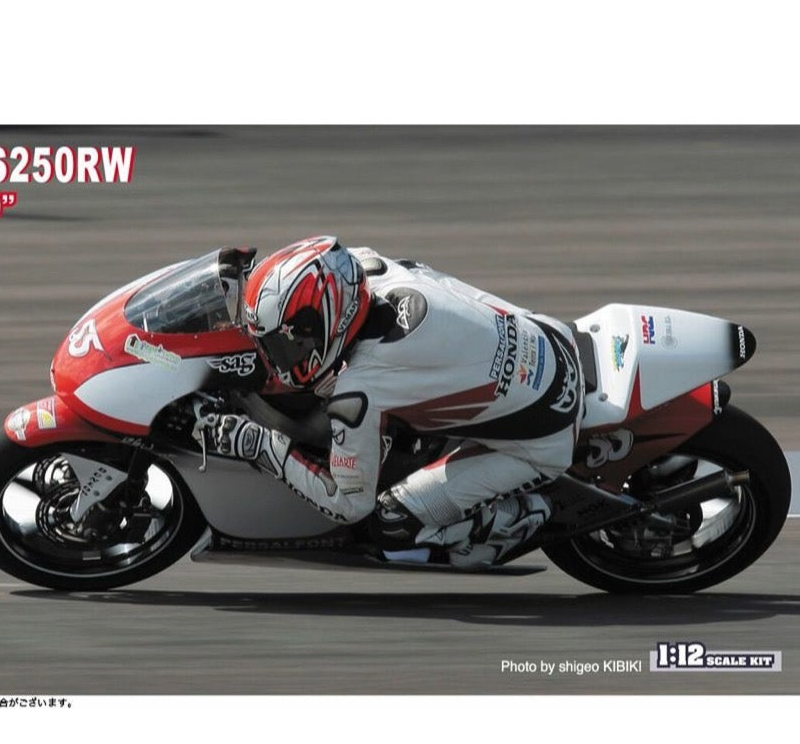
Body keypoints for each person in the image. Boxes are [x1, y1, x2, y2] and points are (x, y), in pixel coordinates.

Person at [195, 235, 584, 567]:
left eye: (283, 345)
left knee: (390, 524)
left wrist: (262, 446)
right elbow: (306, 278)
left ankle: (519, 517)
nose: (275, 358)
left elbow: (349, 504)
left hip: (542, 439)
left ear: (324, 323)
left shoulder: (362, 388)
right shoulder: (371, 268)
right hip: (550, 339)